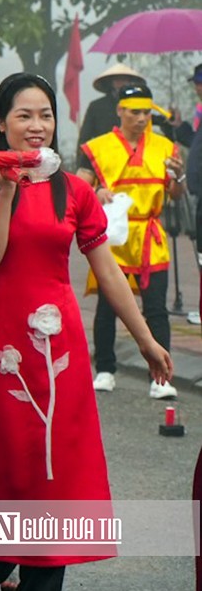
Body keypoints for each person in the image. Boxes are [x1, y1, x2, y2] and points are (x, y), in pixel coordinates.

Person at [0, 73, 172, 591]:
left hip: (60, 353)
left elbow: (109, 271)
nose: (37, 126)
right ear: (2, 123)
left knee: (53, 478)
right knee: (6, 474)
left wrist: (145, 340)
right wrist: (8, 186)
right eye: (24, 116)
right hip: (3, 352)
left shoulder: (74, 191)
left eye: (46, 115)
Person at [77, 82, 182, 399]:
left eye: (147, 112)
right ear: (120, 111)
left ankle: (160, 376)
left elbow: (174, 194)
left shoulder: (165, 147)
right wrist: (97, 192)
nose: (142, 117)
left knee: (156, 309)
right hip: (115, 236)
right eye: (135, 111)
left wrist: (178, 177)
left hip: (151, 235)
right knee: (108, 307)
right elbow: (80, 189)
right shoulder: (98, 147)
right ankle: (106, 369)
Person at [78, 63, 144, 147]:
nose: (121, 82)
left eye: (124, 79)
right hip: (104, 154)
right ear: (111, 82)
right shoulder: (96, 107)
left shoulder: (139, 106)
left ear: (130, 82)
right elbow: (84, 139)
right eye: (117, 79)